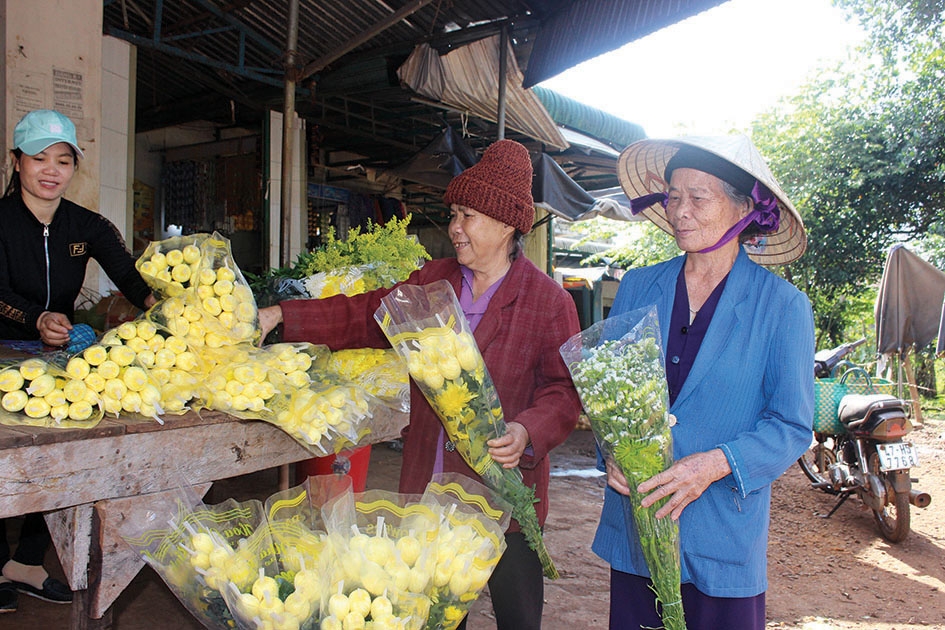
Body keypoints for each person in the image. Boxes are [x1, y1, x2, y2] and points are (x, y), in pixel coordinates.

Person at [259, 139, 582, 629]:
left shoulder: (547, 301)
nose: (454, 228)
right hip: (429, 493)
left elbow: (562, 391)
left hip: (505, 498)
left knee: (518, 619)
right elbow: (366, 315)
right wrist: (283, 314)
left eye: (467, 215)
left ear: (507, 225)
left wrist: (527, 432)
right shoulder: (435, 281)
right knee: (430, 617)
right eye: (453, 213)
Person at [595, 135, 815, 630]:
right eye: (673, 196)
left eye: (698, 197)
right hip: (638, 528)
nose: (679, 211)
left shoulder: (781, 308)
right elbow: (609, 396)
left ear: (744, 208)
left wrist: (713, 465)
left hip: (722, 535)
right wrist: (609, 451)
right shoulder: (637, 286)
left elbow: (792, 425)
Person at [0, 109, 157, 612]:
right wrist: (33, 317)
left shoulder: (86, 225)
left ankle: (25, 560)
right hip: (3, 353)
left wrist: (163, 302)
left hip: (53, 364)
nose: (51, 169)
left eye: (63, 160)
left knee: (53, 465)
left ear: (74, 167)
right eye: (39, 157)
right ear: (17, 161)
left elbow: (132, 279)